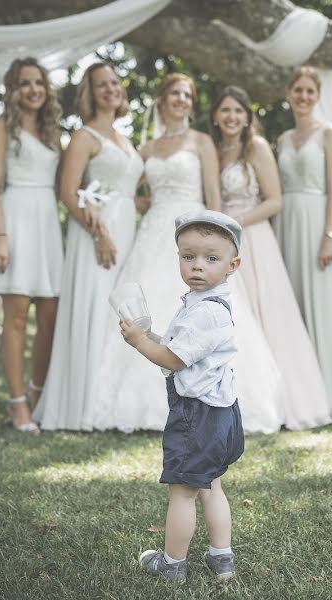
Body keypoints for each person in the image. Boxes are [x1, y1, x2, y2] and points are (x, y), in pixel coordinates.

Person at [93, 74, 281, 433]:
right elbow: (125, 188)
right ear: (161, 99)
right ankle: (137, 402)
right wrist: (148, 205)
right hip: (155, 230)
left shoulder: (201, 142)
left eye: (187, 95)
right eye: (174, 94)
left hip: (194, 228)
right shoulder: (145, 149)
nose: (181, 100)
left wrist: (217, 242)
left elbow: (212, 193)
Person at [120, 209, 245, 583]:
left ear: (232, 265)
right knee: (211, 485)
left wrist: (140, 342)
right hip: (220, 413)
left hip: (197, 416)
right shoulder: (202, 304)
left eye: (211, 258)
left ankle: (172, 564)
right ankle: (221, 558)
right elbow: (180, 347)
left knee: (183, 492)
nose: (197, 266)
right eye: (188, 256)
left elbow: (173, 359)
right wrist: (153, 334)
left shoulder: (205, 312)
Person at [212, 85, 332, 428]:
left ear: (247, 117)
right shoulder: (215, 150)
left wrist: (232, 223)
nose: (232, 117)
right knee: (236, 319)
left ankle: (283, 400)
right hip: (222, 245)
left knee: (267, 317)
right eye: (226, 110)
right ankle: (236, 398)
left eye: (238, 111)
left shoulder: (257, 147)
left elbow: (274, 201)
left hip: (253, 238)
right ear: (215, 116)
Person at [32, 62, 144, 430]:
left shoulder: (124, 139)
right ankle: (82, 406)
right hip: (97, 235)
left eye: (114, 82)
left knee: (118, 312)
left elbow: (129, 195)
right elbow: (68, 191)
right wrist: (99, 233)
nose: (110, 89)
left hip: (127, 229)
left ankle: (111, 400)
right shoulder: (84, 136)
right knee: (95, 309)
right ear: (90, 92)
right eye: (101, 85)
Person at [0, 57, 62, 433]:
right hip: (16, 219)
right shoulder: (0, 129)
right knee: (16, 316)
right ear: (13, 89)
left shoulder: (53, 131)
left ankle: (37, 392)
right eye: (25, 83)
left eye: (39, 82)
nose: (34, 90)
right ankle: (16, 403)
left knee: (50, 315)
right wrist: (0, 234)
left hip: (47, 223)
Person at [275, 66, 332, 419]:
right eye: (297, 90)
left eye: (310, 91)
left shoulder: (330, 134)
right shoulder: (282, 139)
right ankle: (297, 395)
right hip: (286, 223)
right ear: (288, 94)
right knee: (291, 308)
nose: (303, 97)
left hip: (318, 220)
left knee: (319, 305)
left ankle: (327, 397)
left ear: (318, 96)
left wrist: (329, 235)